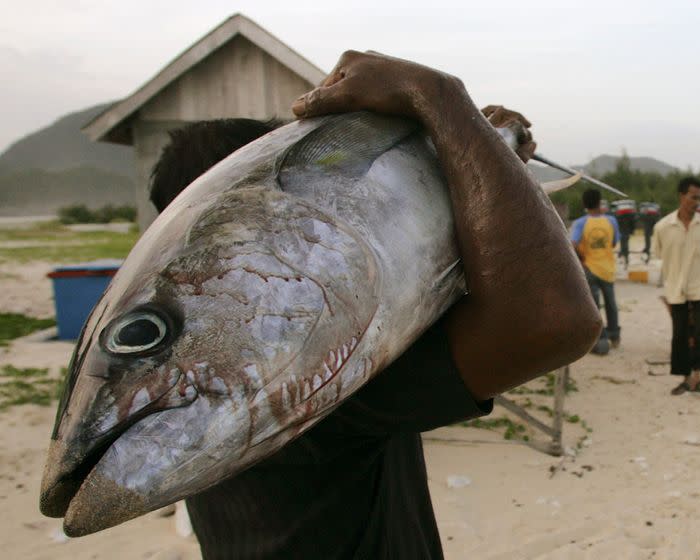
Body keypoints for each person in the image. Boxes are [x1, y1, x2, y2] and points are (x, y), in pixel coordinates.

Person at [149, 50, 600, 559]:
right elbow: (554, 319)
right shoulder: (296, 384)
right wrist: (440, 98)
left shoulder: (184, 376)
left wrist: (481, 152)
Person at [652, 176, 700, 395]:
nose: (697, 202)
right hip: (675, 288)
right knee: (680, 335)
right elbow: (659, 255)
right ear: (682, 196)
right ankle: (685, 378)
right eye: (693, 197)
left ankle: (698, 378)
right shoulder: (663, 227)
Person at [570, 188, 621, 354]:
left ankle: (601, 338)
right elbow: (613, 243)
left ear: (584, 204)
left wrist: (582, 259)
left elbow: (573, 244)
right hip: (608, 269)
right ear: (600, 201)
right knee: (611, 304)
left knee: (595, 306)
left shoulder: (580, 223)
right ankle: (614, 335)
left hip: (589, 269)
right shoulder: (611, 221)